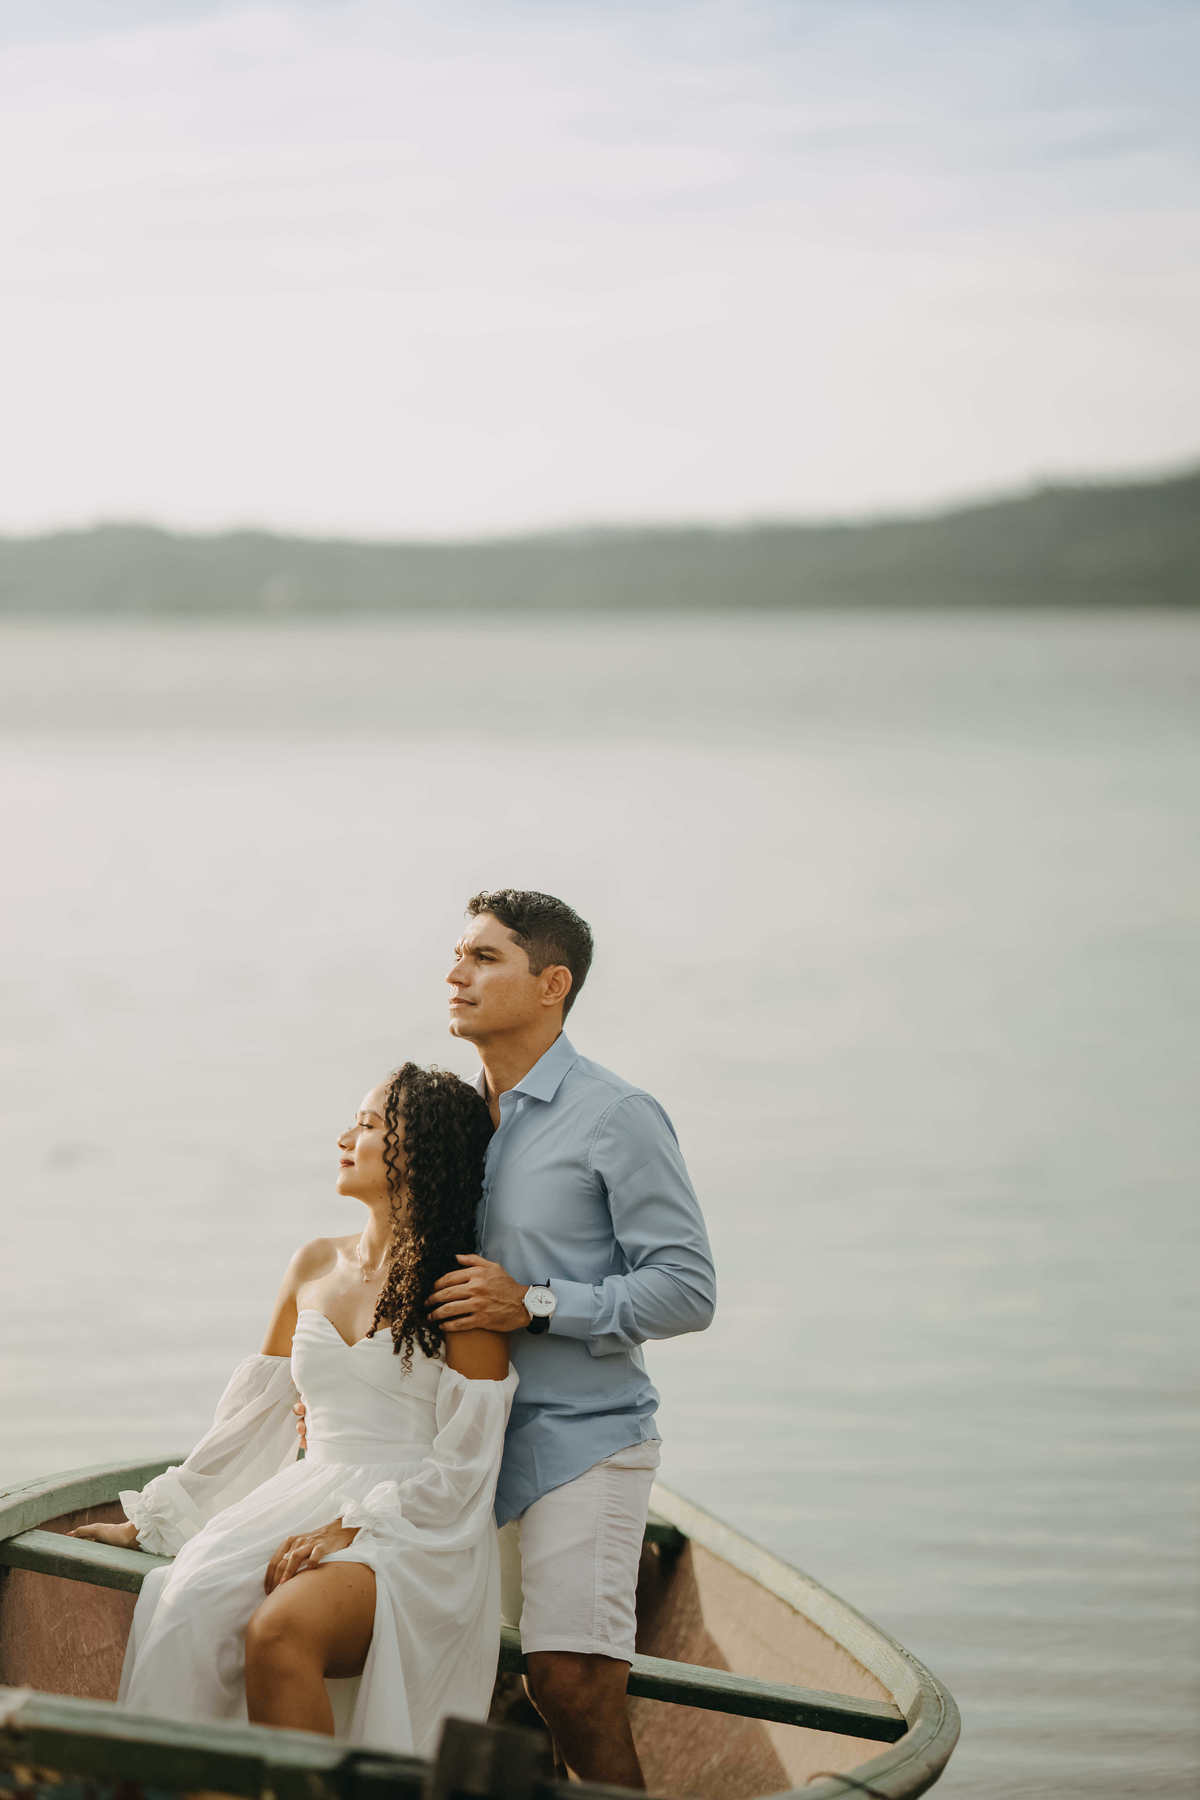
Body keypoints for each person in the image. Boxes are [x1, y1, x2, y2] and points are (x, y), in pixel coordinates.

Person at [298, 890, 716, 1787]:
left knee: (571, 1685)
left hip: (578, 1440)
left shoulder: (617, 1115)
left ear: (552, 984)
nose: (456, 974)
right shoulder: (447, 1118)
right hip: (442, 1443)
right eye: (457, 955)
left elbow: (687, 1291)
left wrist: (535, 1303)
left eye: (485, 959)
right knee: (423, 1664)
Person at [70, 1062, 516, 1757]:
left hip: (421, 1522)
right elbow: (254, 1420)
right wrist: (154, 1521)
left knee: (279, 1631)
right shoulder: (313, 1263)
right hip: (308, 1493)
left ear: (420, 1151)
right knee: (184, 1602)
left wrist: (355, 1526)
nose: (346, 1137)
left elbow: (468, 1462)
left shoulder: (462, 1289)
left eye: (368, 1126)